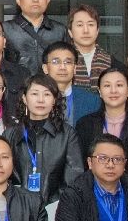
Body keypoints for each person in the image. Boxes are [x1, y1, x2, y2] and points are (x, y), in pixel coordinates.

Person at [74, 66, 128, 192]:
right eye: (107, 86)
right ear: (100, 91)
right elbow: (81, 167)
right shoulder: (84, 125)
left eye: (119, 85)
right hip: (93, 194)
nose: (113, 90)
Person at [10, 76, 82, 205]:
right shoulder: (10, 134)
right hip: (17, 207)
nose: (41, 100)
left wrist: (54, 206)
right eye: (35, 94)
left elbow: (74, 179)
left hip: (56, 208)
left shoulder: (67, 134)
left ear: (54, 100)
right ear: (24, 98)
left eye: (47, 94)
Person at [2, 0, 67, 75]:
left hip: (50, 84)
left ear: (48, 0)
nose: (35, 0)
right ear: (18, 0)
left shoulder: (60, 30)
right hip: (17, 84)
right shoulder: (5, 29)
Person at [40, 41, 99, 125]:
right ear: (45, 68)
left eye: (68, 62)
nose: (62, 67)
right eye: (56, 62)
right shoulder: (35, 99)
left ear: (75, 68)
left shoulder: (92, 100)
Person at [66, 5, 114, 90]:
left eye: (91, 24)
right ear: (70, 32)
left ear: (97, 31)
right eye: (80, 25)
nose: (86, 30)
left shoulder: (110, 61)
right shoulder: (61, 61)